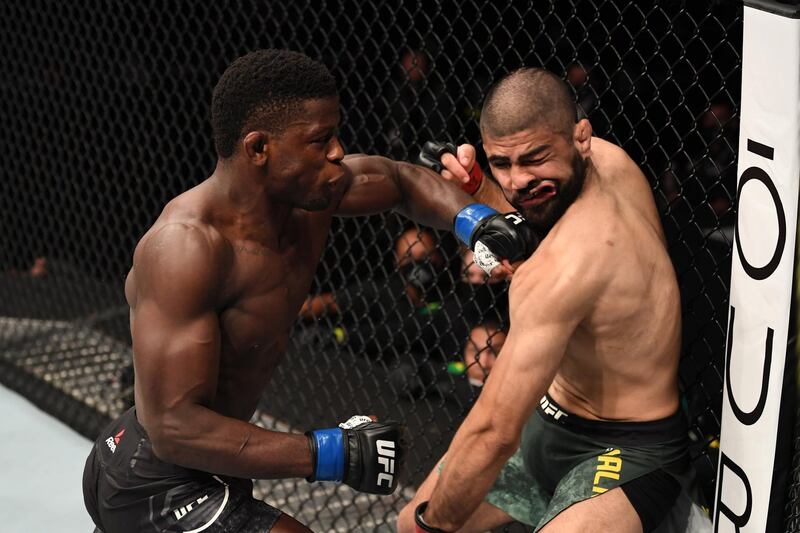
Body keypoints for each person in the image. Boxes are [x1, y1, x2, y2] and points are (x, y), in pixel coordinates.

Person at [81, 50, 536, 533]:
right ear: (259, 149)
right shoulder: (186, 249)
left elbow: (401, 180)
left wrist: (478, 221)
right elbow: (173, 427)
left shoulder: (312, 195)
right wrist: (330, 452)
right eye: (320, 140)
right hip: (157, 480)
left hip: (216, 465)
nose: (338, 151)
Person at [399, 68, 711, 532]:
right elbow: (534, 220)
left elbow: (493, 432)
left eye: (534, 158)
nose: (518, 180)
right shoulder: (605, 160)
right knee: (406, 522)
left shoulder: (568, 268)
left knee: (421, 526)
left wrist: (433, 529)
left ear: (580, 135)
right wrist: (479, 189)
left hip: (625, 449)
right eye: (501, 162)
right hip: (548, 420)